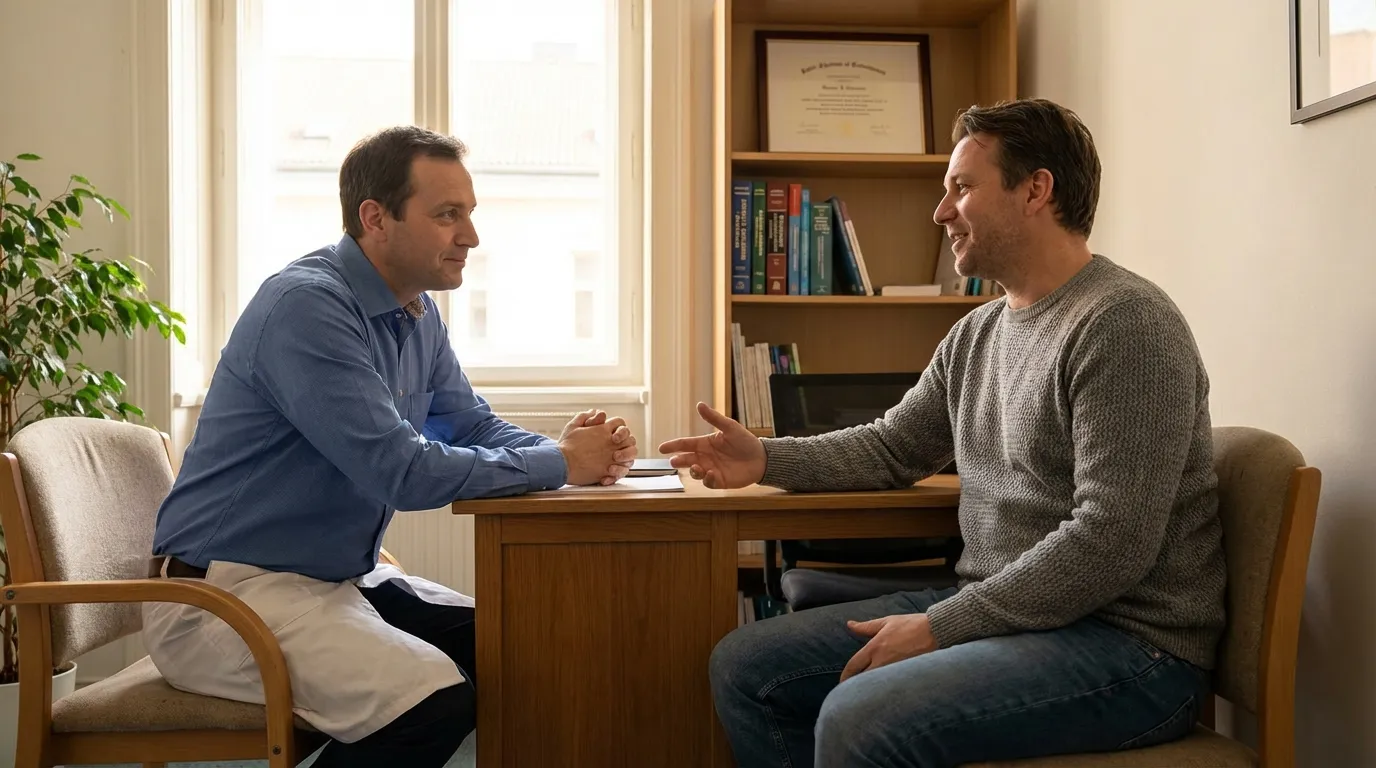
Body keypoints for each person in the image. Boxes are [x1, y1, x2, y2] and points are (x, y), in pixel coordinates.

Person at [658, 98, 1226, 767]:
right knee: (747, 666)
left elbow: (1112, 541)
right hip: (1006, 614)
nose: (941, 211)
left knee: (859, 718)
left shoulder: (1125, 324)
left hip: (1128, 647)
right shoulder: (977, 333)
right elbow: (893, 447)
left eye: (961, 187)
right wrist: (765, 459)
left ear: (1035, 190)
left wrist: (940, 627)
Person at [143, 125, 638, 767]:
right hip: (226, 597)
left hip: (332, 579)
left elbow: (470, 425)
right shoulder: (308, 308)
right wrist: (563, 462)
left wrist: (572, 452)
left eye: (469, 214)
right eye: (447, 215)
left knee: (521, 648)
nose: (471, 237)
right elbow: (401, 471)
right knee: (432, 702)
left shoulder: (417, 311)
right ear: (375, 218)